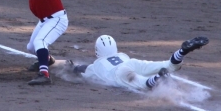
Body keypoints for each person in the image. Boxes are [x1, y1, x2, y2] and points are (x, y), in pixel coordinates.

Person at [68, 35, 209, 92]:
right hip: (132, 63)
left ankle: (157, 78)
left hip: (120, 73)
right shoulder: (122, 55)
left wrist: (69, 67)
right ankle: (181, 52)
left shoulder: (95, 66)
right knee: (167, 65)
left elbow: (78, 69)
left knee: (142, 83)